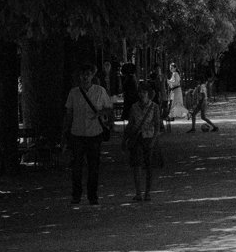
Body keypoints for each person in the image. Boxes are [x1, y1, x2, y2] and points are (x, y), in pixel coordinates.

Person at [62, 63, 113, 205]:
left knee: (93, 166)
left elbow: (109, 108)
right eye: (83, 74)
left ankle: (92, 195)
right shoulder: (74, 93)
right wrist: (65, 131)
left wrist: (100, 113)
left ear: (92, 76)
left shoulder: (100, 91)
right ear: (80, 76)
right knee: (76, 166)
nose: (85, 77)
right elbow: (69, 113)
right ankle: (76, 195)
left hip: (94, 133)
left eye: (88, 74)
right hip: (77, 133)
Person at [123, 82, 162, 201]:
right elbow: (130, 123)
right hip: (137, 137)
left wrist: (154, 140)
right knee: (137, 165)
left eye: (144, 92)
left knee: (149, 166)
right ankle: (138, 192)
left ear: (148, 94)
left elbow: (157, 125)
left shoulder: (154, 107)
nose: (142, 94)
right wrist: (125, 138)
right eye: (140, 92)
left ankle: (148, 192)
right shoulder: (134, 107)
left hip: (149, 137)